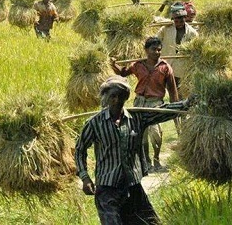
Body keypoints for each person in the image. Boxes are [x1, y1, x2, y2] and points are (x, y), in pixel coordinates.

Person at [75, 75, 182, 225]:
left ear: (126, 98)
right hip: (107, 189)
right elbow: (80, 150)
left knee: (151, 222)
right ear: (105, 97)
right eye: (113, 96)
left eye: (121, 97)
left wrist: (186, 105)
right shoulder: (94, 123)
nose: (116, 101)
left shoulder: (136, 118)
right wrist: (85, 177)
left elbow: (162, 112)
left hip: (132, 186)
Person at [110, 37, 179, 172]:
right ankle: (146, 162)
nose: (157, 52)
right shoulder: (138, 65)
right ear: (146, 50)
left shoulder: (165, 67)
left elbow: (172, 89)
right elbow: (123, 72)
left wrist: (175, 107)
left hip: (155, 103)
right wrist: (114, 65)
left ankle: (157, 160)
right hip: (140, 102)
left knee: (156, 133)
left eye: (159, 50)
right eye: (154, 49)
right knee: (141, 133)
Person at [156, 3, 198, 134]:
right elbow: (156, 41)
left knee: (180, 98)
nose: (179, 22)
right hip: (166, 68)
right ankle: (177, 125)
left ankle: (183, 127)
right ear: (172, 19)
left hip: (182, 71)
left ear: (185, 18)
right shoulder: (166, 29)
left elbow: (196, 52)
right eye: (176, 20)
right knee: (170, 98)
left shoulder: (192, 33)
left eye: (181, 19)